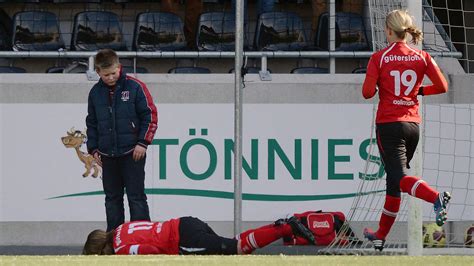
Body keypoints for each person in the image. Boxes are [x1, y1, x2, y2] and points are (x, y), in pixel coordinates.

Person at [361, 10, 451, 251]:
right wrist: (420, 92)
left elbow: (367, 93)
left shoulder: (379, 58)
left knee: (399, 179)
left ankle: (436, 198)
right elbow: (442, 86)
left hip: (389, 124)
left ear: (389, 31)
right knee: (394, 180)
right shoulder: (422, 56)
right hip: (413, 125)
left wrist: (380, 83)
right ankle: (380, 235)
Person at [86, 49, 158, 232]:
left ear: (119, 67)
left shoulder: (135, 87)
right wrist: (93, 149)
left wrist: (142, 143)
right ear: (98, 73)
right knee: (112, 198)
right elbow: (92, 123)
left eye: (113, 73)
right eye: (105, 75)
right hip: (107, 155)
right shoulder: (95, 93)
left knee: (136, 197)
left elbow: (150, 115)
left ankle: (142, 238)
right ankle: (114, 240)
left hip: (132, 153)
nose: (110, 77)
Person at [82, 216, 316, 255]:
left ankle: (285, 229)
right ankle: (282, 226)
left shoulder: (122, 250)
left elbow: (151, 252)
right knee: (235, 244)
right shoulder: (122, 228)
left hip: (184, 241)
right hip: (185, 223)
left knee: (237, 249)